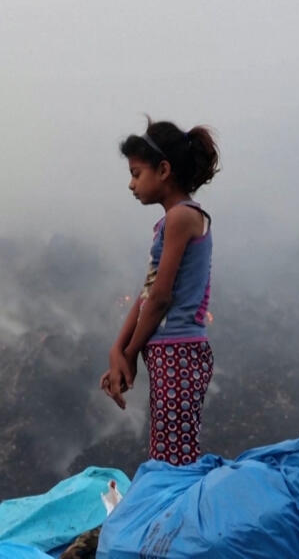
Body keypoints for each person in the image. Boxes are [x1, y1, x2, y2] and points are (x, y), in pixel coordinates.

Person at [101, 119, 219, 465]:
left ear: (164, 170)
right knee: (166, 451)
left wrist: (130, 352)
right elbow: (147, 294)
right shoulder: (169, 222)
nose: (131, 184)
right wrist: (118, 349)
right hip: (168, 352)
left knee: (174, 459)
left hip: (180, 351)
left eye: (136, 174)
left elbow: (161, 298)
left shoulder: (182, 218)